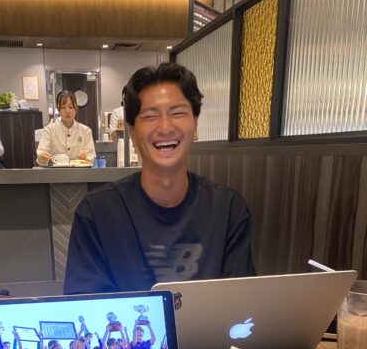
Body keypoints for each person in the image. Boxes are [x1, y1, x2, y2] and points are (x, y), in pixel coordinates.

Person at [64, 63, 255, 294]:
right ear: (133, 133)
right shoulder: (97, 213)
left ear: (195, 126)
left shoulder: (228, 209)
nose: (165, 127)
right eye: (150, 116)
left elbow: (240, 304)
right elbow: (87, 308)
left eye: (177, 113)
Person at [37, 90, 96, 165]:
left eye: (70, 107)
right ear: (58, 109)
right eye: (63, 107)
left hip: (79, 171)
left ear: (76, 108)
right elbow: (41, 157)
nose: (67, 111)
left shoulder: (86, 131)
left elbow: (91, 158)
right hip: (56, 171)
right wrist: (42, 158)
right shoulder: (49, 130)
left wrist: (85, 158)